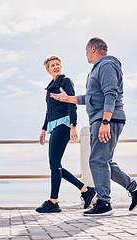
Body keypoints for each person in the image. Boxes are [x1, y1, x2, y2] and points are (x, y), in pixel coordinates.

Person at [50, 37, 137, 216]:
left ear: (93, 48)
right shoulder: (97, 69)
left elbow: (111, 93)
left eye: (86, 51)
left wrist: (105, 122)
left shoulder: (107, 65)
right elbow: (91, 97)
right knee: (104, 161)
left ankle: (104, 203)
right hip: (101, 118)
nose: (86, 55)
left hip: (106, 120)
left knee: (97, 160)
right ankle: (135, 188)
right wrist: (68, 99)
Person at [36, 55, 96, 213]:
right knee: (55, 164)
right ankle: (85, 190)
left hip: (63, 124)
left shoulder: (66, 81)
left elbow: (72, 103)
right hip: (53, 126)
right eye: (52, 65)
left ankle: (53, 201)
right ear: (48, 70)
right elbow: (49, 112)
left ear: (61, 66)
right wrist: (43, 130)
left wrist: (73, 126)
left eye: (58, 64)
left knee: (54, 163)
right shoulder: (50, 87)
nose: (56, 67)